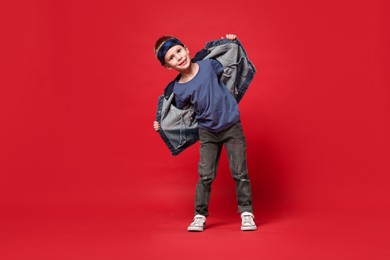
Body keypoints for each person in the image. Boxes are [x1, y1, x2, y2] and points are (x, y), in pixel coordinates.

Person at [153, 34, 257, 232]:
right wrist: (162, 125)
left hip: (231, 126)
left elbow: (230, 59)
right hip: (207, 132)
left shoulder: (209, 66)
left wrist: (231, 40)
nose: (178, 58)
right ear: (168, 67)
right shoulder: (179, 89)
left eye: (178, 51)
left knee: (240, 172)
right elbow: (180, 114)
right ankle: (199, 215)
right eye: (172, 58)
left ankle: (246, 212)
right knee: (205, 176)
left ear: (186, 48)